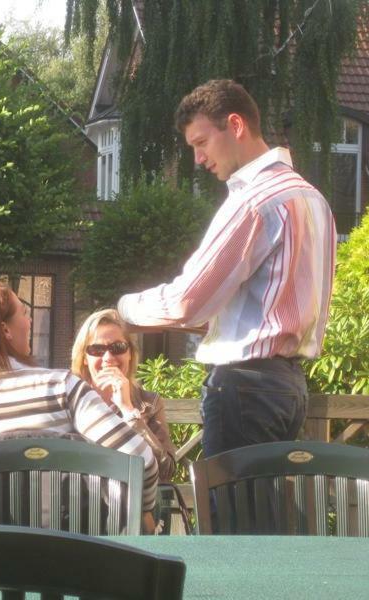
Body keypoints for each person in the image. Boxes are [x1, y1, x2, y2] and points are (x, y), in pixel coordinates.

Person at [117, 79, 336, 457]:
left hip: (245, 387)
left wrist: (124, 308)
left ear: (236, 125)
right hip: (290, 388)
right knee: (265, 512)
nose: (198, 159)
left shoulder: (253, 201)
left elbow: (187, 302)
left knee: (232, 513)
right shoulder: (314, 200)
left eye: (201, 143)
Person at [0, 282, 159, 528]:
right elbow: (141, 458)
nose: (29, 321)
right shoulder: (61, 387)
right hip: (68, 561)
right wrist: (142, 510)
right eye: (24, 313)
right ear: (5, 330)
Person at [71, 309, 176, 482]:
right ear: (84, 358)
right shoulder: (72, 399)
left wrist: (128, 411)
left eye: (117, 348)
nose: (108, 357)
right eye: (97, 349)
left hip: (131, 503)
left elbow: (166, 472)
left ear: (130, 354)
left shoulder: (149, 402)